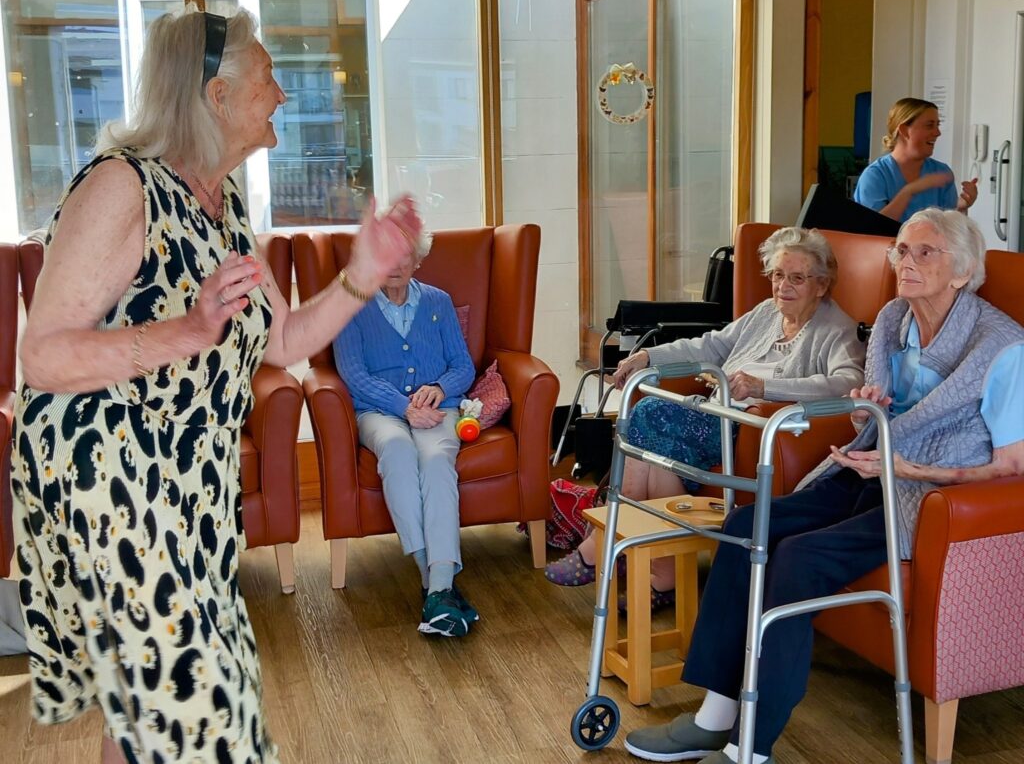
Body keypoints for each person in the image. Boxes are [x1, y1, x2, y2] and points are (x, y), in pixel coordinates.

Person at [11, 7, 419, 764]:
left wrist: (362, 274)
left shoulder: (225, 203)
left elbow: (283, 339)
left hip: (187, 485)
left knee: (147, 710)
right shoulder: (120, 186)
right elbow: (43, 357)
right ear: (215, 94)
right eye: (267, 76)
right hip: (113, 485)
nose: (282, 96)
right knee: (200, 703)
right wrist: (187, 332)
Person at [623, 208, 1024, 764]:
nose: (905, 262)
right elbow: (879, 412)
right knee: (746, 526)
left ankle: (751, 747)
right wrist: (869, 412)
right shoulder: (893, 320)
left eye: (923, 252)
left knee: (798, 559)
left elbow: (1011, 467)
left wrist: (911, 471)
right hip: (868, 469)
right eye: (901, 250)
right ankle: (714, 716)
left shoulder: (1003, 348)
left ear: (962, 272)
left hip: (927, 498)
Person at [545, 227, 866, 604]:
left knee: (647, 411)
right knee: (659, 462)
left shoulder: (838, 329)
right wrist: (649, 356)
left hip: (749, 429)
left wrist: (764, 389)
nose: (783, 286)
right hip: (716, 413)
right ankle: (664, 577)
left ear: (822, 285)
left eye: (797, 278)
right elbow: (712, 344)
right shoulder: (767, 313)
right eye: (778, 275)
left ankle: (602, 544)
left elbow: (846, 382)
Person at [333, 234, 479, 638]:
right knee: (397, 450)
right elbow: (354, 375)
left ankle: (439, 588)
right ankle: (436, 585)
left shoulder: (438, 302)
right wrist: (404, 406)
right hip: (380, 412)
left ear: (418, 260)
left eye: (403, 256)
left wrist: (440, 388)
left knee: (435, 461)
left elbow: (463, 367)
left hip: (439, 410)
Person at [853, 97, 978, 223]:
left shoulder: (941, 171)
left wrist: (961, 208)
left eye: (937, 125)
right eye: (930, 125)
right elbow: (872, 228)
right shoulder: (875, 175)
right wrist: (909, 191)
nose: (937, 132)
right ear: (904, 130)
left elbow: (950, 230)